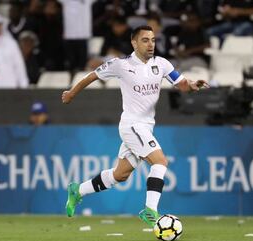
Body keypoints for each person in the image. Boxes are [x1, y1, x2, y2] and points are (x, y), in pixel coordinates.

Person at [62, 25, 209, 226]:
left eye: (153, 40)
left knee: (119, 175)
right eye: (145, 40)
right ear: (134, 42)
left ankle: (77, 190)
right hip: (132, 125)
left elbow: (181, 83)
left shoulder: (162, 64)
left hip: (146, 127)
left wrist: (192, 85)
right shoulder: (121, 65)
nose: (151, 45)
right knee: (160, 162)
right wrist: (71, 93)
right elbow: (92, 76)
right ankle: (150, 211)